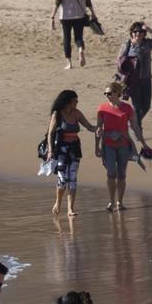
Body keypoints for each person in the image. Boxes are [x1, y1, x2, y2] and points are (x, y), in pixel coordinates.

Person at [96, 79, 148, 212]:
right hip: (108, 144)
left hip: (123, 144)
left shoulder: (127, 108)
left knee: (121, 175)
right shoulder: (102, 108)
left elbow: (135, 127)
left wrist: (143, 142)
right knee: (111, 173)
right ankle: (111, 201)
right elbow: (98, 128)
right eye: (105, 93)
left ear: (117, 93)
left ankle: (120, 202)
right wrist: (97, 146)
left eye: (109, 93)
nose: (107, 95)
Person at [45, 88, 98, 217]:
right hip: (61, 150)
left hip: (74, 148)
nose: (77, 103)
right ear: (68, 102)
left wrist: (99, 128)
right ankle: (58, 202)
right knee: (62, 179)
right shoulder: (57, 114)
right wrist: (50, 151)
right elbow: (50, 134)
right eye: (75, 100)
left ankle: (70, 209)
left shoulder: (77, 113)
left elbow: (90, 127)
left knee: (73, 178)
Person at [116, 22, 152, 125]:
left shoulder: (148, 43)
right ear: (132, 33)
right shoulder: (127, 44)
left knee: (146, 106)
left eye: (141, 31)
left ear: (144, 33)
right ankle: (138, 131)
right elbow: (120, 61)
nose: (138, 33)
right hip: (133, 81)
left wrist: (151, 30)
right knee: (137, 107)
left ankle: (133, 123)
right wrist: (123, 77)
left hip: (146, 79)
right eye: (135, 31)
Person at [51, 0, 97, 70]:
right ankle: (80, 49)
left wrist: (52, 16)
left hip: (66, 16)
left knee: (67, 39)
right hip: (80, 15)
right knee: (78, 37)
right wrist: (93, 13)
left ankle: (69, 63)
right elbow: (87, 0)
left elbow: (57, 2)